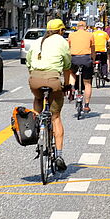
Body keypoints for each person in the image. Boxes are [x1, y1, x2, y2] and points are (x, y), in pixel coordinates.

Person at [26, 18, 73, 170]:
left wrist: (34, 76)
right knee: (56, 117)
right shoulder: (61, 41)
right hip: (53, 80)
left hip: (34, 79)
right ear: (61, 31)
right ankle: (59, 155)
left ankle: (37, 124)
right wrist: (66, 84)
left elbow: (28, 62)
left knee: (38, 98)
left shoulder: (38, 40)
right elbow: (67, 65)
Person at [67, 19, 96, 112]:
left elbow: (68, 48)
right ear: (86, 27)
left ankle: (72, 88)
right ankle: (86, 105)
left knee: (72, 73)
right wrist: (93, 60)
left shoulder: (71, 35)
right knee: (87, 83)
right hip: (86, 59)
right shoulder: (90, 35)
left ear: (77, 27)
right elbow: (93, 50)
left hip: (74, 58)